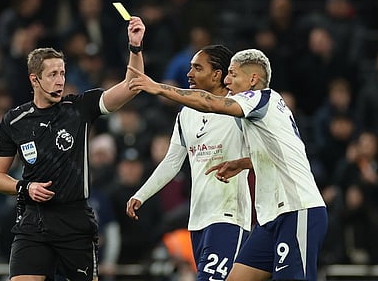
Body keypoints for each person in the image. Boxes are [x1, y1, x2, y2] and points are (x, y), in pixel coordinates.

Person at [127, 48, 327, 281]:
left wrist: (159, 88)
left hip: (296, 208)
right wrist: (244, 163)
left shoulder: (262, 98)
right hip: (269, 216)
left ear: (253, 79)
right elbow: (282, 152)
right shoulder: (258, 113)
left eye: (233, 74)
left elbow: (213, 104)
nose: (227, 80)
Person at [0, 16, 146, 281]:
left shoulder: (79, 109)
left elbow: (132, 86)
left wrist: (135, 47)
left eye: (62, 73)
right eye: (52, 74)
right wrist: (25, 187)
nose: (60, 80)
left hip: (74, 221)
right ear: (34, 79)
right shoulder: (13, 121)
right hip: (33, 220)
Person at [126, 45, 253, 281]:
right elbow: (172, 162)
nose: (189, 74)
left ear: (217, 74)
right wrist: (141, 195)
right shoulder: (186, 113)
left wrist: (243, 163)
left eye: (197, 68)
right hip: (197, 220)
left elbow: (268, 153)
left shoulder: (240, 108)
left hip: (229, 216)